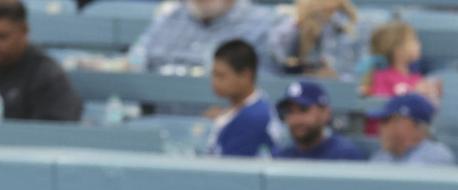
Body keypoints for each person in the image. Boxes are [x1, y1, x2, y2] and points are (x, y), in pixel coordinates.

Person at [127, 0, 273, 75]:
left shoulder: (265, 24)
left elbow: (263, 88)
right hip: (162, 117)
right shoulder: (169, 17)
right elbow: (135, 61)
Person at [268, 0, 378, 82]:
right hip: (303, 86)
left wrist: (336, 77)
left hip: (342, 89)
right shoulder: (293, 26)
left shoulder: (351, 25)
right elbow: (280, 60)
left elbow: (359, 74)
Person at [206, 38, 280, 156]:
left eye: (221, 76)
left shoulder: (254, 117)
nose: (215, 82)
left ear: (245, 76)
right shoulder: (241, 111)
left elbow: (228, 168)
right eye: (213, 75)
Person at [274, 79, 366, 160]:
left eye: (303, 110)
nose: (296, 119)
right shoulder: (282, 155)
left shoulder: (344, 155)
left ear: (325, 113)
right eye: (290, 112)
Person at [368, 93, 455, 166]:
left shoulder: (436, 156)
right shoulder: (383, 156)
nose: (381, 128)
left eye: (386, 120)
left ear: (414, 125)